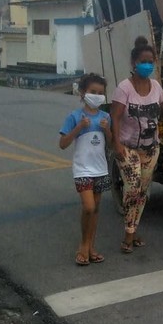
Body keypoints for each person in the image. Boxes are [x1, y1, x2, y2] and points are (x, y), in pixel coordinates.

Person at [111, 36, 163, 254]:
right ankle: (128, 235)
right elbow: (114, 117)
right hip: (128, 147)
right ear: (134, 63)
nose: (148, 65)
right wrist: (116, 144)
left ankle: (132, 230)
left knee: (143, 191)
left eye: (151, 61)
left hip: (151, 148)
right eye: (144, 61)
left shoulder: (156, 86)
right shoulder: (124, 88)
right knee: (132, 188)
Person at [59, 73, 113, 266]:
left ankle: (91, 246)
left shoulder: (106, 117)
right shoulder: (74, 117)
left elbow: (112, 144)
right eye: (93, 92)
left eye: (101, 93)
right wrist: (79, 127)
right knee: (88, 207)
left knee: (96, 209)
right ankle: (83, 244)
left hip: (100, 169)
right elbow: (63, 143)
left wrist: (107, 130)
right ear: (82, 93)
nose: (97, 95)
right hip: (83, 170)